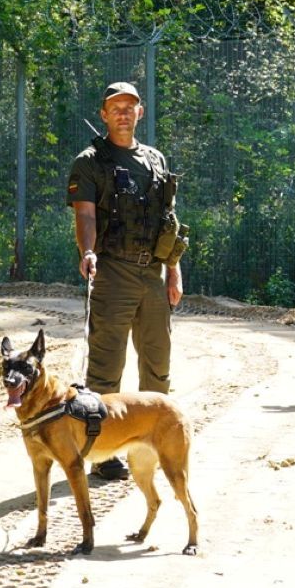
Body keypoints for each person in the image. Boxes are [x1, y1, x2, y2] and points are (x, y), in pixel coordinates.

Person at [67, 81, 184, 480]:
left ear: (140, 112)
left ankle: (155, 436)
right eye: (115, 107)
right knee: (105, 366)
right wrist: (88, 251)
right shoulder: (90, 162)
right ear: (103, 114)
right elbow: (85, 214)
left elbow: (169, 221)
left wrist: (173, 269)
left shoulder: (155, 159)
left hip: (152, 272)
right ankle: (101, 449)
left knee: (157, 363)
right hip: (113, 270)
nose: (122, 112)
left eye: (129, 106)